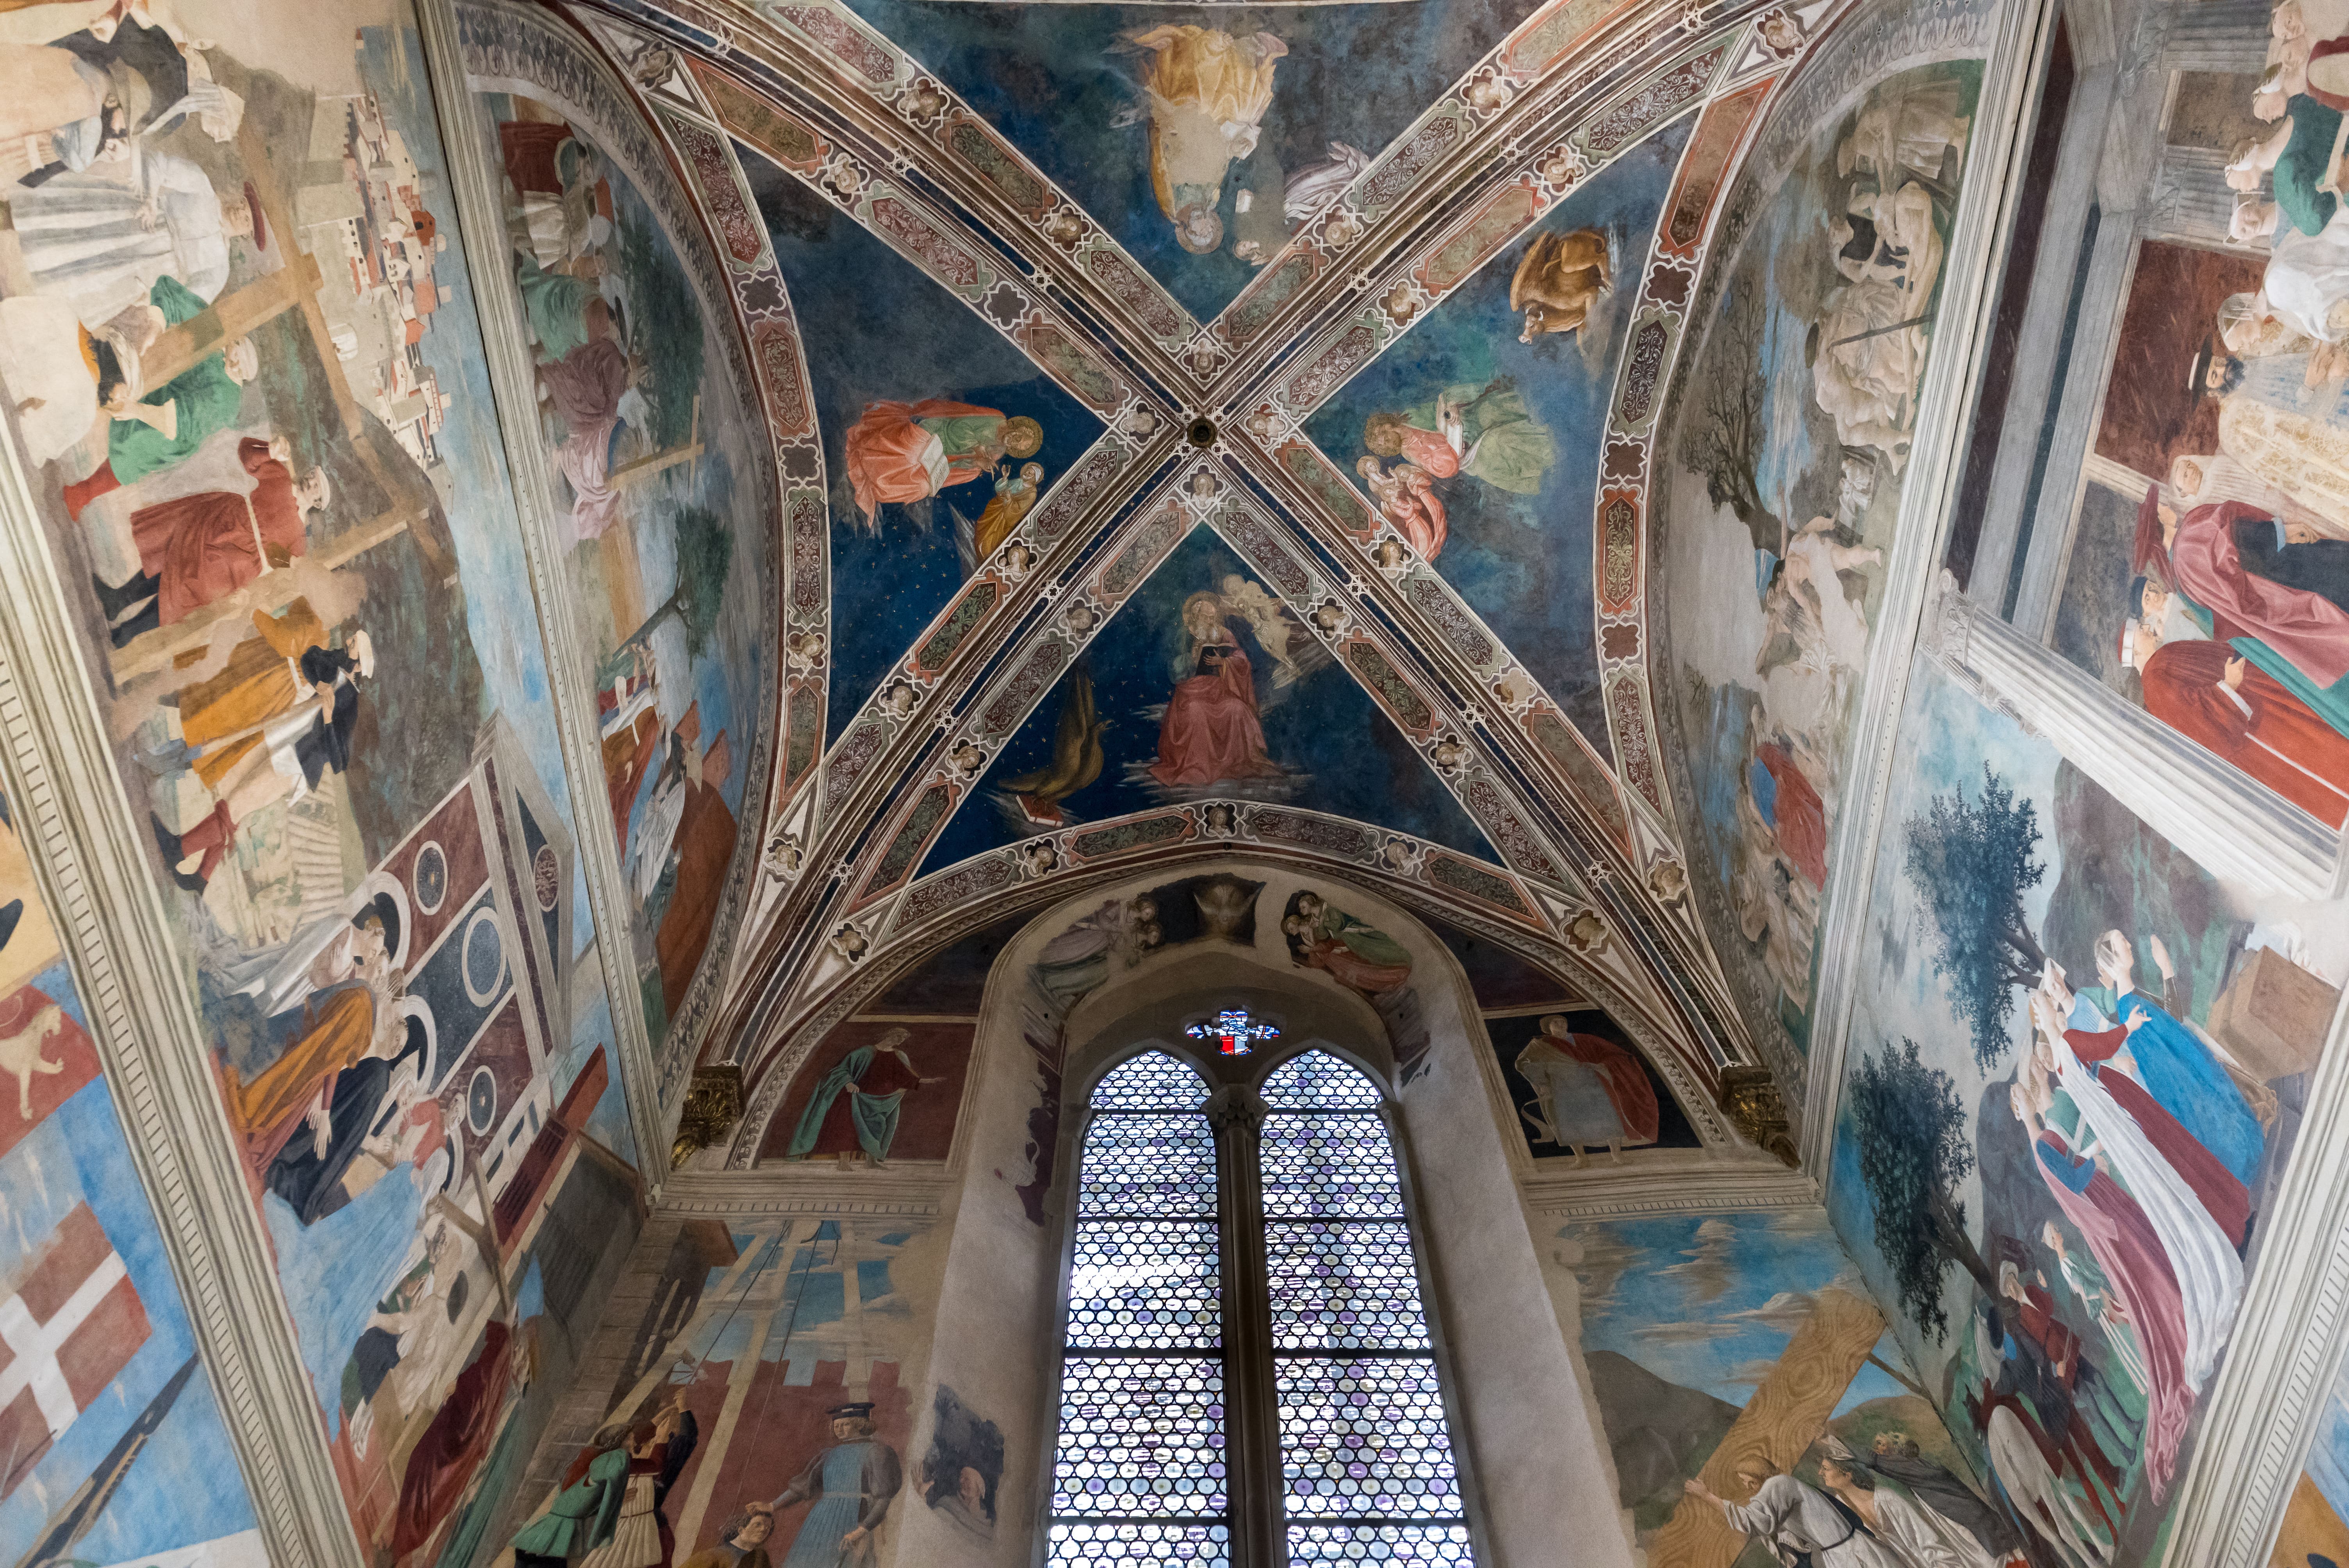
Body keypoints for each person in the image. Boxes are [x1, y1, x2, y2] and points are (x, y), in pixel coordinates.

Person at [91, 435, 328, 645]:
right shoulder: (281, 476)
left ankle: (127, 632)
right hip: (221, 521)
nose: (311, 481)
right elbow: (246, 452)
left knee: (182, 592)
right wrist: (270, 450)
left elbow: (280, 566)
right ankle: (117, 600)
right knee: (172, 558)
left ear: (317, 504)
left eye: (317, 487)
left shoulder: (299, 540)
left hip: (235, 561)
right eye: (313, 476)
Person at [2127, 610, 2349, 827]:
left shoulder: (2161, 661)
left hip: (2259, 694)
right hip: (2256, 728)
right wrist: (2229, 685)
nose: (2148, 627)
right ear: (2135, 651)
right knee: (2322, 757)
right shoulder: (2154, 683)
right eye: (2141, 629)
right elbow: (2202, 728)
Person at [61, 276, 256, 520]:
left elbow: (184, 421)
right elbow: (171, 292)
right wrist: (158, 322)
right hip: (166, 395)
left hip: (172, 431)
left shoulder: (226, 401)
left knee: (132, 453)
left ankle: (80, 495)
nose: (232, 356)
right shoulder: (220, 342)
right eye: (235, 349)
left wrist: (137, 411)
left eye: (237, 361)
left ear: (241, 372)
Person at [1128, 25, 1284, 254]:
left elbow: (1160, 162)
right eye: (1209, 230)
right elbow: (1219, 165)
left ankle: (1211, 47)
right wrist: (1233, 148)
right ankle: (1250, 49)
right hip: (1215, 133)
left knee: (1198, 96)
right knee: (1246, 112)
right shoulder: (1211, 202)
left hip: (1184, 129)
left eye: (1200, 232)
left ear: (1188, 231)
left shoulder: (1171, 207)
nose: (1206, 226)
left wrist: (1169, 130)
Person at [391, 1315, 530, 1561]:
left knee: (422, 1481)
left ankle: (400, 1547)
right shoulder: (498, 1370)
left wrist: (457, 1387)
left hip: (452, 1449)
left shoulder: (496, 1367)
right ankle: (398, 1545)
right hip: (457, 1447)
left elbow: (477, 1394)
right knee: (422, 1480)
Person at [1149, 593, 1284, 788]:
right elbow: (1173, 671)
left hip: (1220, 691)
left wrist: (1224, 662)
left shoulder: (1223, 633)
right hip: (1191, 693)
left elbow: (1242, 660)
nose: (1211, 621)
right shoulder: (1184, 635)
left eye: (1214, 617)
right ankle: (1197, 765)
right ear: (1196, 616)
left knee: (1237, 708)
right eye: (1207, 617)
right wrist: (1191, 660)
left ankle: (1235, 763)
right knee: (1197, 711)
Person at [841, 399, 1041, 527]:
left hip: (940, 457)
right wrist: (977, 449)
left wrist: (976, 463)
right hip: (936, 432)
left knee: (921, 487)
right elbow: (958, 427)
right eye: (1019, 436)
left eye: (1020, 445)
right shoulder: (996, 420)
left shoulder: (999, 451)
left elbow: (961, 466)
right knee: (911, 453)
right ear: (1019, 427)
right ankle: (867, 461)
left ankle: (875, 486)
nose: (1015, 440)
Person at [1685, 1457, 1904, 1566]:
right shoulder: (1784, 1488)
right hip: (1842, 1552)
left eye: (1748, 1481)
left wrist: (1707, 1496)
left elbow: (1753, 1521)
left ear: (1758, 1477)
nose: (1748, 1488)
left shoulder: (1778, 1484)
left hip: (1853, 1555)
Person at [1362, 377, 1555, 497]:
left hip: (1466, 423)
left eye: (1384, 434)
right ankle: (1551, 457)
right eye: (1385, 444)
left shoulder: (1410, 416)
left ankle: (1549, 414)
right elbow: (1444, 470)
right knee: (1496, 443)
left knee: (1489, 410)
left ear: (1387, 424)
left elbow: (1437, 405)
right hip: (1467, 455)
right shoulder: (1409, 454)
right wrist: (1452, 451)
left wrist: (1450, 406)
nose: (1387, 440)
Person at [1511, 1014, 1659, 1163]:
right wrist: (1542, 1080)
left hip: (1592, 1084)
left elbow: (1614, 1054)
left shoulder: (1584, 1039)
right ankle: (1581, 1159)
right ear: (1548, 1027)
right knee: (1569, 1122)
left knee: (1608, 1118)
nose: (1561, 1024)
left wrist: (1600, 1066)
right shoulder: (1539, 1045)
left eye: (1564, 1021)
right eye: (1556, 1022)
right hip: (1562, 1088)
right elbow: (1522, 1064)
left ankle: (1617, 1156)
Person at [1814, 1451, 2002, 1568]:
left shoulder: (1888, 1499)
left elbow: (1928, 1543)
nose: (1821, 1473)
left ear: (1847, 1474)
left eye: (1826, 1468)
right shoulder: (1840, 1513)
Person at [770, 1403, 903, 1568]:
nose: (839, 1430)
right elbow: (802, 1488)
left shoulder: (877, 1452)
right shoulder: (828, 1454)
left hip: (856, 1521)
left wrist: (861, 1530)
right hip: (821, 1522)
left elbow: (884, 1499)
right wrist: (772, 1506)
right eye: (836, 1426)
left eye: (846, 1424)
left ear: (860, 1425)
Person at [1864, 1432, 2023, 1559]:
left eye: (1881, 1444)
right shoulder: (1910, 1464)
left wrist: (1873, 1459)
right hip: (1958, 1511)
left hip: (1960, 1511)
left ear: (1896, 1447)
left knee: (1986, 1547)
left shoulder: (1910, 1465)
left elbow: (1881, 1463)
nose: (1878, 1449)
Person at [781, 1028, 923, 1165]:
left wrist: (925, 1081)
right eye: (899, 1036)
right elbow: (841, 1070)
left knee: (878, 1127)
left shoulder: (900, 1056)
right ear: (890, 1034)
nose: (901, 1040)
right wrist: (848, 1083)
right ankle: (844, 1163)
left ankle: (871, 1162)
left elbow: (906, 1077)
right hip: (855, 1096)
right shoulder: (864, 1052)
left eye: (904, 1038)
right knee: (847, 1128)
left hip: (878, 1100)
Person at [513, 1428, 634, 1568]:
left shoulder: (582, 1463)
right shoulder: (602, 1466)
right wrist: (618, 1500)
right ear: (617, 1443)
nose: (634, 1442)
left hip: (536, 1538)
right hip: (554, 1546)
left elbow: (580, 1504)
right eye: (630, 1439)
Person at [1282, 890, 1412, 996]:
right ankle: (1388, 982)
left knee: (1373, 955)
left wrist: (1321, 926)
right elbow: (1324, 938)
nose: (1302, 910)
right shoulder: (1312, 922)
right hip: (1339, 952)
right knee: (1361, 970)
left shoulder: (1328, 911)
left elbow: (1338, 925)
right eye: (1301, 908)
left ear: (1312, 904)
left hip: (1352, 939)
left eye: (1304, 907)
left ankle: (1398, 969)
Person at [680, 1505, 777, 1568]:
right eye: (758, 1525)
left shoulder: (761, 1558)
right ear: (741, 1530)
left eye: (768, 1527)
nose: (764, 1530)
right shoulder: (712, 1556)